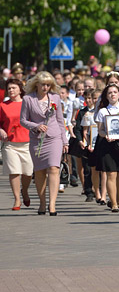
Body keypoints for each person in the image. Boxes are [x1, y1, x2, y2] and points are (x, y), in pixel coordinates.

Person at [20, 71, 69, 216]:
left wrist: (65, 141)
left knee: (54, 168)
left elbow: (60, 121)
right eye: (43, 85)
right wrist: (35, 126)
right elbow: (23, 120)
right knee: (40, 171)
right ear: (37, 84)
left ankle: (52, 204)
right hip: (37, 139)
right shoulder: (28, 99)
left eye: (48, 85)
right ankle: (42, 202)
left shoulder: (55, 97)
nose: (45, 88)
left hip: (54, 138)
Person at [94, 83, 119, 212]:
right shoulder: (102, 111)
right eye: (110, 93)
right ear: (106, 96)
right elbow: (100, 131)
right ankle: (114, 203)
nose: (112, 95)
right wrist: (106, 135)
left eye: (115, 92)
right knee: (111, 174)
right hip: (108, 145)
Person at [0, 78, 32, 211]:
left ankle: (24, 190)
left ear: (20, 89)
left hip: (27, 143)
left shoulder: (28, 103)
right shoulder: (3, 105)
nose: (11, 90)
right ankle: (17, 198)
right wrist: (1, 131)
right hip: (10, 144)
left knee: (28, 172)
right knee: (14, 171)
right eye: (9, 88)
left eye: (14, 88)